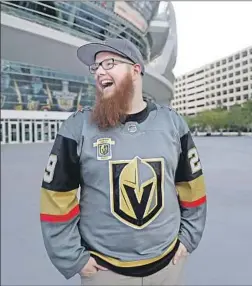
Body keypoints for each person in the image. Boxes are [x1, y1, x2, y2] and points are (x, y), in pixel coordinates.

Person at [39, 37, 207, 285]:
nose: (99, 72)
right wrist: (73, 258)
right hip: (104, 271)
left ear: (135, 70)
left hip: (168, 265)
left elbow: (192, 186)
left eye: (109, 63)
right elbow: (56, 198)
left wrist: (189, 237)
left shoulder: (172, 124)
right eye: (96, 67)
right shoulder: (77, 127)